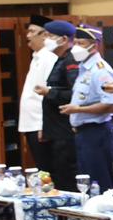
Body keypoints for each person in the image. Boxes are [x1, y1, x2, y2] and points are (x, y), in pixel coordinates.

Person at [61, 26, 113, 193]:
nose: (76, 47)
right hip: (83, 134)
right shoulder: (84, 68)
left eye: (81, 43)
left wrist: (77, 109)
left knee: (99, 183)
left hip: (96, 132)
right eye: (75, 43)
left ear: (94, 46)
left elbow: (111, 104)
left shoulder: (100, 70)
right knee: (86, 183)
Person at [34, 20, 80, 191]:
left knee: (66, 177)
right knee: (57, 176)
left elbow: (75, 94)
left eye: (49, 36)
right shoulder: (60, 60)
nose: (45, 39)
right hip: (55, 129)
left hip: (65, 130)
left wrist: (50, 92)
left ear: (63, 39)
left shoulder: (70, 60)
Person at [18, 15, 57, 172]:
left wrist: (45, 125)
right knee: (42, 169)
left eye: (32, 32)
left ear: (45, 35)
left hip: (40, 124)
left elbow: (50, 93)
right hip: (31, 123)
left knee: (48, 168)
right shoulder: (36, 57)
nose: (28, 36)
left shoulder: (49, 58)